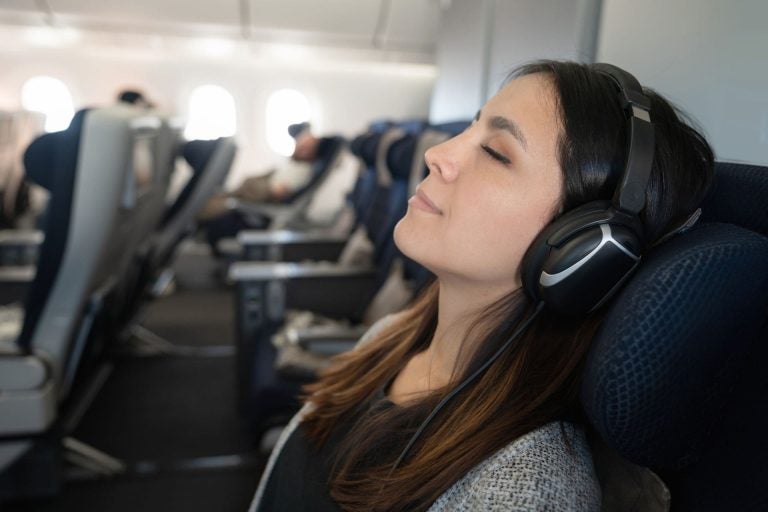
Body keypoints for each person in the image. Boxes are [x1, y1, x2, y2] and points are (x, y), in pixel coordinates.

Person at [250, 60, 715, 511]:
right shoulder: (390, 338)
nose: (437, 154)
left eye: (495, 152)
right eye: (471, 128)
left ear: (583, 249)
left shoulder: (519, 491)